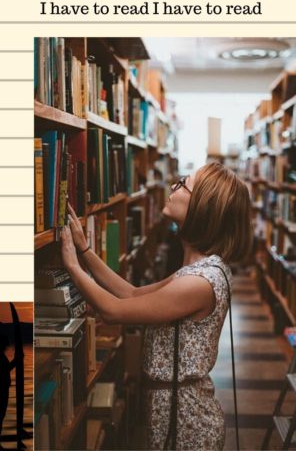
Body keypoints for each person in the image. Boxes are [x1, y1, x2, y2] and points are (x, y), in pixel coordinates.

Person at [61, 161, 252, 450]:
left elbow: (113, 311)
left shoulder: (199, 282)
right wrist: (85, 252)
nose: (173, 187)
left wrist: (72, 267)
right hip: (173, 409)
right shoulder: (199, 269)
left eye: (183, 183)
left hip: (187, 421)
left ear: (202, 207)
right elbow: (132, 294)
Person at [0, 331, 16, 447]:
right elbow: (5, 370)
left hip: (4, 389)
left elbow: (6, 369)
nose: (7, 346)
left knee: (1, 416)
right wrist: (16, 361)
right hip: (1, 390)